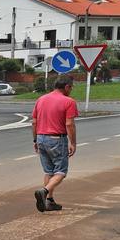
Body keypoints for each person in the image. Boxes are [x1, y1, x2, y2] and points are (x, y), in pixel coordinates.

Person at [31, 75, 78, 212]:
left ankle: (49, 201)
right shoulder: (68, 101)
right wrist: (73, 143)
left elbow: (34, 122)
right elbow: (69, 124)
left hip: (41, 138)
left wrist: (35, 140)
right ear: (67, 87)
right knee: (61, 172)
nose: (71, 90)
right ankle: (44, 191)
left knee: (49, 171)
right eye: (71, 88)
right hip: (57, 139)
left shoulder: (41, 99)